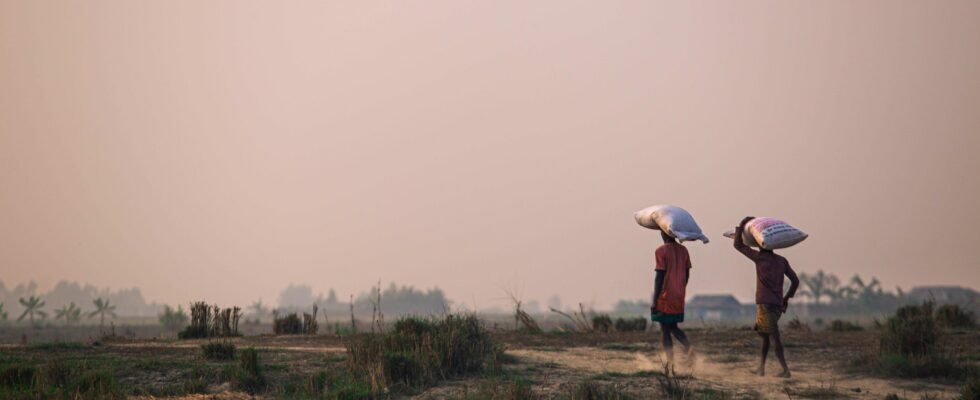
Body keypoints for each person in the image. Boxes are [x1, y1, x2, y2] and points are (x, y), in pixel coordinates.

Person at [733, 216, 800, 378]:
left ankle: (785, 370)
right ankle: (761, 369)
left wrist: (742, 224)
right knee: (764, 336)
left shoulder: (759, 257)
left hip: (765, 304)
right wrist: (786, 298)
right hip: (777, 304)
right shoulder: (781, 261)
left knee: (774, 336)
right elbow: (795, 281)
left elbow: (737, 245)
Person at [651, 231, 693, 363]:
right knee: (673, 326)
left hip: (665, 295)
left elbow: (659, 277)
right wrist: (680, 288)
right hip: (679, 294)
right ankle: (688, 346)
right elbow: (687, 274)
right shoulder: (684, 250)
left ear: (664, 235)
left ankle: (669, 362)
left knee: (665, 328)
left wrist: (655, 300)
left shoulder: (660, 251)